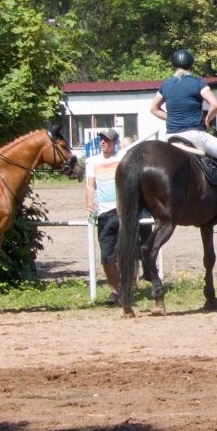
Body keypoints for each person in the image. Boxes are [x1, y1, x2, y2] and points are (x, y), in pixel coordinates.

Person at [150, 49, 217, 213]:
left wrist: (171, 118)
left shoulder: (165, 85)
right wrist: (207, 119)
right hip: (195, 134)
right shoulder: (197, 82)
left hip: (172, 136)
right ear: (191, 65)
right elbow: (215, 104)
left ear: (174, 65)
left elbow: (153, 108)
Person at [85, 128, 152, 304]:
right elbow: (90, 186)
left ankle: (127, 289)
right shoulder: (92, 162)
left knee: (127, 251)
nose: (103, 142)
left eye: (107, 140)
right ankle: (117, 290)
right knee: (107, 256)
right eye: (101, 139)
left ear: (114, 143)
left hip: (123, 212)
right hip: (104, 214)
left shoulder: (122, 159)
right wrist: (89, 202)